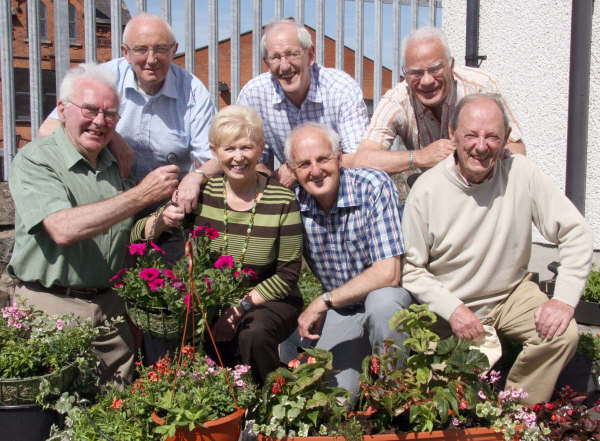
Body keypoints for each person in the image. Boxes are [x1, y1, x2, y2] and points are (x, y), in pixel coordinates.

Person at [401, 93, 592, 406]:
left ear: (505, 139)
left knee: (561, 334)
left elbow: (575, 233)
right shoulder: (427, 190)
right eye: (471, 135)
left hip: (509, 295)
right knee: (446, 401)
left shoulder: (522, 173)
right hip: (449, 307)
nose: (481, 145)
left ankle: (517, 411)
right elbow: (410, 267)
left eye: (492, 136)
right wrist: (453, 309)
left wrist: (563, 299)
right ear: (452, 135)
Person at [7, 63, 180, 384]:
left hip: (111, 314)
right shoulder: (36, 159)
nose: (100, 121)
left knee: (115, 415)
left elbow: (126, 235)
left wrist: (159, 221)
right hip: (51, 311)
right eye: (90, 109)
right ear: (62, 109)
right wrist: (142, 194)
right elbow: (62, 228)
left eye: (110, 114)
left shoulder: (115, 163)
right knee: (54, 421)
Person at [130, 104, 304, 384]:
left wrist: (239, 310)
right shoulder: (201, 195)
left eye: (246, 147)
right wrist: (162, 221)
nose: (238, 157)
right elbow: (137, 234)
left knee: (253, 333)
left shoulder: (281, 200)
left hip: (266, 300)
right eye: (229, 149)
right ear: (214, 151)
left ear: (260, 149)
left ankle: (268, 398)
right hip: (212, 299)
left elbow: (288, 275)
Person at [38, 13, 220, 208]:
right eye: (141, 50)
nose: (151, 59)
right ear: (125, 52)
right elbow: (47, 131)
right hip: (105, 202)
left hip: (166, 208)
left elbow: (218, 157)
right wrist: (112, 138)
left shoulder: (193, 92)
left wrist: (196, 176)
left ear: (174, 50)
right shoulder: (103, 78)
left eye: (160, 49)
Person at [284, 122, 412, 399]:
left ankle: (395, 394)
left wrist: (323, 301)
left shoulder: (373, 187)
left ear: (339, 157)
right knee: (338, 401)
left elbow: (388, 273)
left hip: (382, 298)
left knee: (384, 303)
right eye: (304, 164)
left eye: (323, 159)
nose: (315, 170)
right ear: (292, 170)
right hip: (342, 310)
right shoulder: (296, 203)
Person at [354, 27, 525, 197]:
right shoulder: (397, 101)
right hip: (435, 194)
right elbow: (363, 159)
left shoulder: (480, 87)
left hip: (485, 190)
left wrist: (474, 157)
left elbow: (518, 148)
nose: (427, 81)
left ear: (450, 65)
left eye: (435, 69)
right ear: (404, 73)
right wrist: (419, 157)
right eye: (416, 73)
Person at [237, 18, 368, 188]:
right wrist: (267, 180)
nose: (284, 66)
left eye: (292, 54)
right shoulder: (253, 95)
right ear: (267, 63)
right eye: (275, 57)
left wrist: (297, 170)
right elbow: (248, 160)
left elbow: (358, 157)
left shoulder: (341, 89)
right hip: (288, 194)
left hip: (338, 189)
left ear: (311, 55)